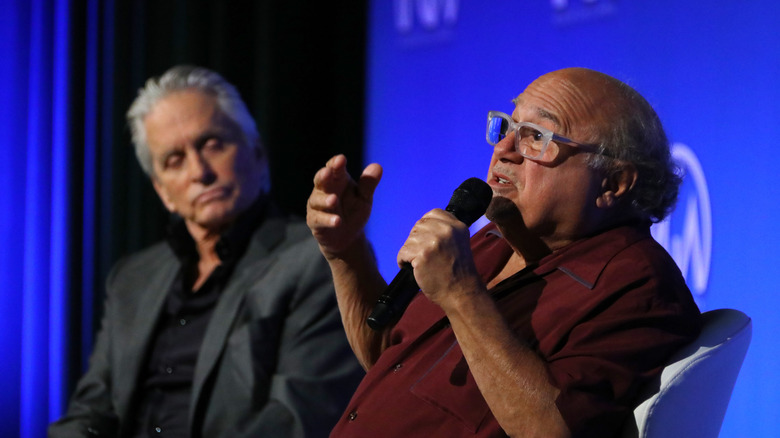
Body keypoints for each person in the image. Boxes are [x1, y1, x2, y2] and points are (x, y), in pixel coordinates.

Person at [305, 67, 702, 437]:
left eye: (536, 136)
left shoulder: (638, 288)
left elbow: (550, 428)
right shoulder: (493, 240)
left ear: (613, 183)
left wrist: (461, 294)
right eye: (508, 126)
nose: (505, 149)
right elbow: (385, 352)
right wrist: (345, 250)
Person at [49, 65, 363, 438]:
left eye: (212, 143)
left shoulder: (317, 261)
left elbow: (297, 419)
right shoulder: (132, 278)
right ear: (163, 191)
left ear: (257, 153)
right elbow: (92, 412)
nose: (199, 171)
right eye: (174, 160)